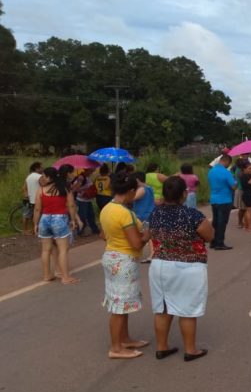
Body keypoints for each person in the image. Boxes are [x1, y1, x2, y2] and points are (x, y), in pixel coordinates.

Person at [148, 176, 214, 362]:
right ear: (184, 194)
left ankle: (162, 347)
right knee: (187, 309)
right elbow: (209, 236)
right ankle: (190, 350)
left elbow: (147, 234)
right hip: (188, 267)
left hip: (160, 264)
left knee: (162, 308)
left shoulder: (155, 213)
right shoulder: (193, 215)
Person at [99, 172, 151, 359]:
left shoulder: (107, 208)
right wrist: (148, 232)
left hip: (112, 255)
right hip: (124, 261)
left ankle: (125, 339)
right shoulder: (124, 213)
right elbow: (137, 243)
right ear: (129, 191)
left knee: (121, 303)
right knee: (119, 307)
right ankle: (116, 347)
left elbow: (102, 235)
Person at [33, 167, 79, 284]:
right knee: (62, 249)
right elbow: (71, 205)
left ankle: (47, 275)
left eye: (44, 176)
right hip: (60, 219)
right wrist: (73, 219)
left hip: (44, 219)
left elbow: (37, 208)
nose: (42, 178)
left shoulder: (41, 190)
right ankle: (65, 277)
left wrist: (35, 223)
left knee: (45, 250)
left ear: (50, 177)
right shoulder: (65, 189)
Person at [207, 153, 236, 250]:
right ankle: (220, 243)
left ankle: (213, 241)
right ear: (226, 161)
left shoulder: (211, 171)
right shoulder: (226, 172)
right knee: (222, 222)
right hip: (224, 200)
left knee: (215, 222)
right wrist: (235, 182)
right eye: (229, 163)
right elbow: (233, 186)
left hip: (214, 199)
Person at [72, 167, 100, 236]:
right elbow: (74, 188)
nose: (92, 172)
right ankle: (80, 231)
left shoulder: (86, 177)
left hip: (87, 200)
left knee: (91, 215)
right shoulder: (81, 178)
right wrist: (82, 191)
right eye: (91, 171)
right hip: (82, 201)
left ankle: (94, 229)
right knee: (82, 216)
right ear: (87, 170)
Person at [22, 161, 43, 234]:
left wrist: (26, 195)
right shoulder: (39, 176)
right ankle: (33, 230)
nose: (42, 169)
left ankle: (28, 230)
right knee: (35, 214)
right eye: (41, 167)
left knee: (28, 215)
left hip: (30, 199)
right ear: (37, 168)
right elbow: (44, 186)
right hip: (37, 199)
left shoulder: (29, 176)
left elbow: (24, 187)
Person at [239, 163, 251, 232]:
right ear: (244, 169)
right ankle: (249, 226)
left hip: (248, 194)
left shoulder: (248, 175)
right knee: (249, 211)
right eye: (249, 168)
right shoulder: (245, 176)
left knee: (248, 211)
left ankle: (247, 225)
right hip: (248, 195)